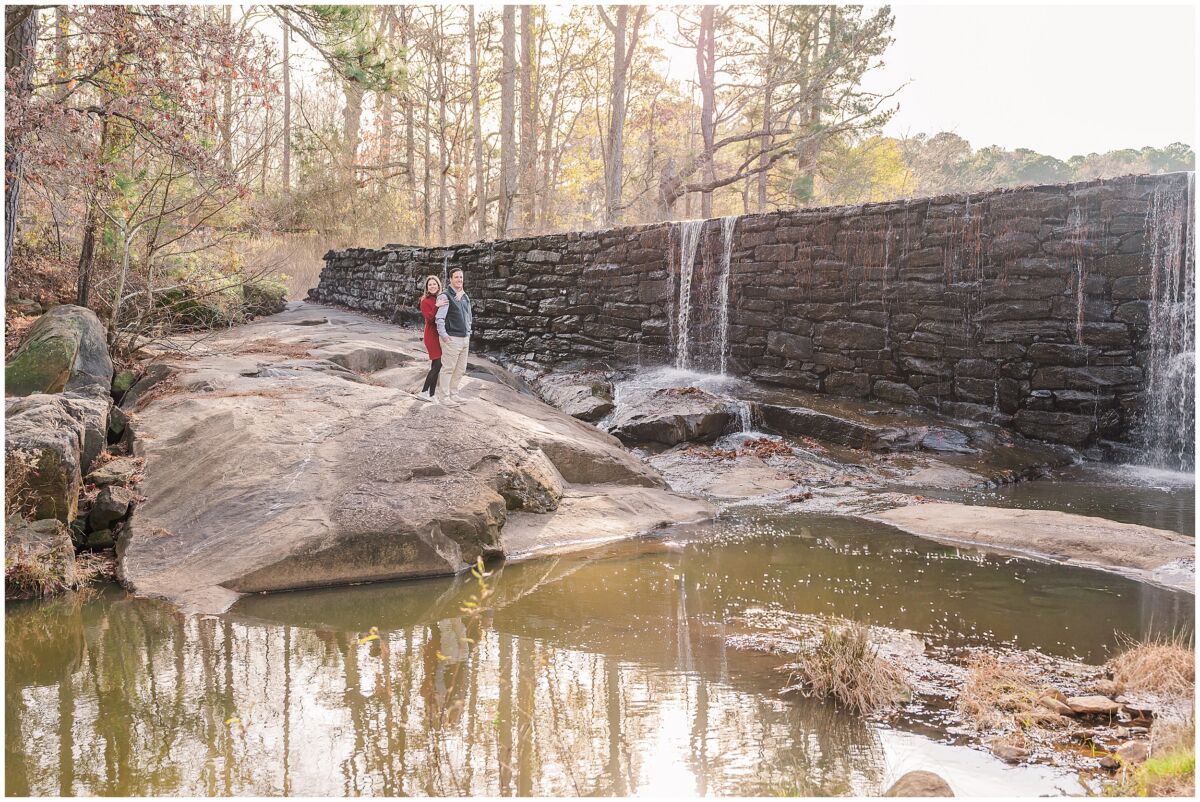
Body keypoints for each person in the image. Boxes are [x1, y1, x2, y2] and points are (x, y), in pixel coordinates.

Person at [435, 267, 472, 405]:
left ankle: (454, 394)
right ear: (450, 279)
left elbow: (469, 316)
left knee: (460, 369)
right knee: (448, 368)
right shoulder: (445, 296)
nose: (459, 280)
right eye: (456, 277)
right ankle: (444, 397)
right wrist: (444, 336)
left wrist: (469, 331)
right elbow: (439, 319)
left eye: (461, 277)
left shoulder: (464, 296)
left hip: (464, 338)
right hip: (451, 338)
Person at [416, 275, 446, 403]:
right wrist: (437, 306)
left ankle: (432, 394)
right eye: (430, 285)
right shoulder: (425, 301)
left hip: (439, 335)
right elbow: (430, 319)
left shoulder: (440, 298)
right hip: (431, 335)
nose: (432, 286)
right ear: (427, 287)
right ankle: (423, 392)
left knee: (436, 365)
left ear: (438, 285)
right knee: (438, 363)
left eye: (435, 284)